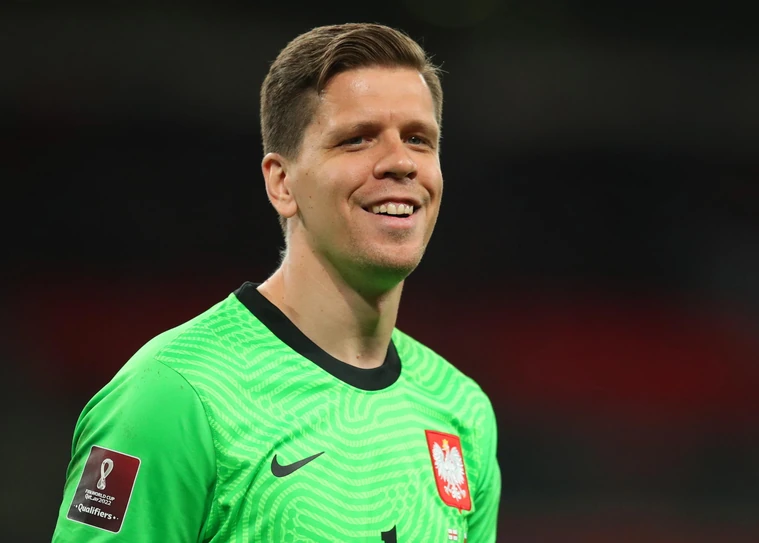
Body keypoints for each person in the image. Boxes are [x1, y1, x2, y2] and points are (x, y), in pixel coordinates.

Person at [52, 22, 500, 542]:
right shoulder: (172, 394)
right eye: (357, 139)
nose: (400, 162)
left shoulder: (461, 410)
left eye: (419, 140)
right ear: (282, 183)